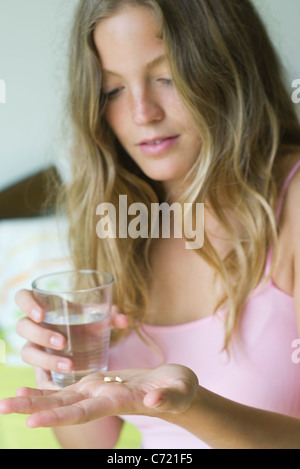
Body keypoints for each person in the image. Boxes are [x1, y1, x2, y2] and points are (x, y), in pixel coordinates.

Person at [1, 0, 300, 449]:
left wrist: (191, 406)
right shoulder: (119, 222)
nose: (143, 113)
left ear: (230, 69)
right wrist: (62, 368)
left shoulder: (292, 202)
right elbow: (91, 446)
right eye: (112, 90)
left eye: (168, 77)